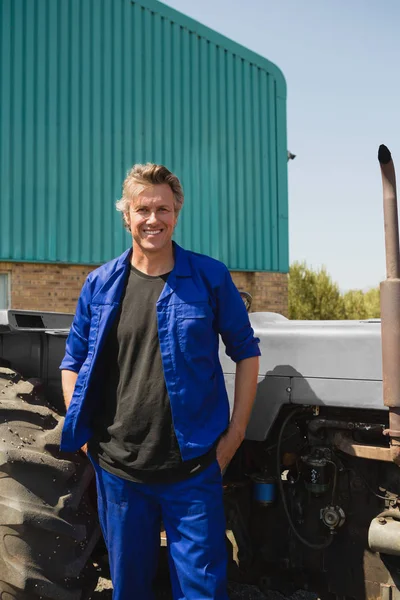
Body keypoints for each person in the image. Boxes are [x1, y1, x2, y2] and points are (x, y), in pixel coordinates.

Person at [60, 163, 260, 600]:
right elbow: (71, 361)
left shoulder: (209, 277)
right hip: (119, 472)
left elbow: (246, 352)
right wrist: (86, 436)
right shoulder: (99, 284)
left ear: (177, 212)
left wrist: (236, 433)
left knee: (203, 592)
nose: (154, 219)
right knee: (129, 589)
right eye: (143, 209)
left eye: (164, 209)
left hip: (192, 471)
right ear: (127, 216)